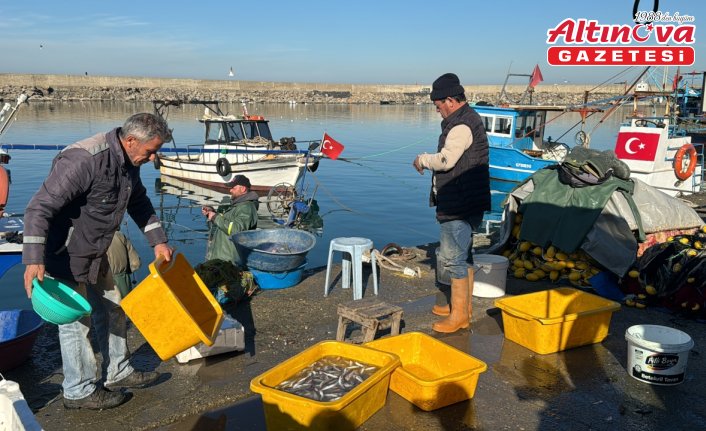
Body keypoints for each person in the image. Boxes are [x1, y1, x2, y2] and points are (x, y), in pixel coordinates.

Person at [22, 113, 174, 410]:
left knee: (115, 307)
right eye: (151, 151)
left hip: (97, 249)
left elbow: (139, 202)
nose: (154, 157)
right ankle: (78, 390)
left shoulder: (130, 163)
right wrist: (33, 259)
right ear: (131, 141)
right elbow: (38, 208)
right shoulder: (84, 160)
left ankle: (118, 370)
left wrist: (159, 241)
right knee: (76, 323)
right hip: (63, 254)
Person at [413, 73, 490, 333]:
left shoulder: (460, 126)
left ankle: (459, 317)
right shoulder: (469, 119)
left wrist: (422, 159)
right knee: (464, 256)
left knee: (454, 259)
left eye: (438, 106)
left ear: (449, 100)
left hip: (459, 202)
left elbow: (446, 160)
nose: (438, 112)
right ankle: (462, 308)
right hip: (471, 199)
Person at [202, 174, 259, 263]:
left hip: (228, 262)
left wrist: (215, 217)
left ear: (243, 189)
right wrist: (212, 213)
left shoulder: (247, 208)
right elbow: (228, 223)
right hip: (220, 260)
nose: (230, 190)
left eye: (233, 188)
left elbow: (236, 230)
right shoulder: (238, 205)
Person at [106, 229, 141, 299]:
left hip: (103, 281)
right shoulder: (119, 234)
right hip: (123, 278)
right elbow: (136, 263)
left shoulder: (87, 237)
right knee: (127, 305)